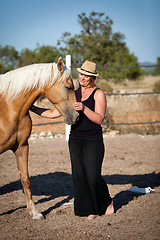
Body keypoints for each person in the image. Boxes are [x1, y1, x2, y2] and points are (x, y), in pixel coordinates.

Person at [30, 60, 114, 220]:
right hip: (75, 139)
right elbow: (54, 113)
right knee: (79, 176)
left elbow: (99, 119)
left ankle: (106, 202)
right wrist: (32, 108)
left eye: (87, 75)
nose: (83, 78)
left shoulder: (98, 94)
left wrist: (84, 108)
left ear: (92, 78)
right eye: (82, 74)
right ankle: (92, 210)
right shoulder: (73, 94)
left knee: (93, 175)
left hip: (92, 140)